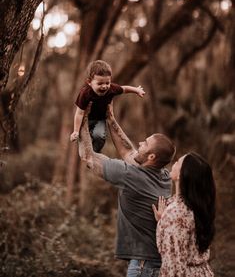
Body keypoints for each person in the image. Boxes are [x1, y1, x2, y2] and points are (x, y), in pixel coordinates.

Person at [78, 103, 176, 277]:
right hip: (158, 262)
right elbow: (128, 151)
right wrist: (111, 119)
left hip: (143, 267)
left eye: (145, 144)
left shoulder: (130, 176)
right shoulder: (165, 177)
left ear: (152, 157)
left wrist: (81, 120)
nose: (140, 143)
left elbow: (88, 157)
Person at [152, 152, 216, 277]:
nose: (173, 164)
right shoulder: (196, 206)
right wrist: (162, 222)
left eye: (178, 162)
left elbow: (174, 267)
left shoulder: (175, 214)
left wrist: (167, 221)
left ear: (182, 175)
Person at [70, 60, 145, 152]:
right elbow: (79, 113)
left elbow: (124, 89)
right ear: (89, 82)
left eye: (107, 83)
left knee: (100, 136)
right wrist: (76, 131)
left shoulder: (112, 89)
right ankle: (85, 149)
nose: (104, 86)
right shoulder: (85, 93)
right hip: (86, 119)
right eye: (100, 83)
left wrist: (136, 90)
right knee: (83, 137)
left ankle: (95, 152)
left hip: (100, 119)